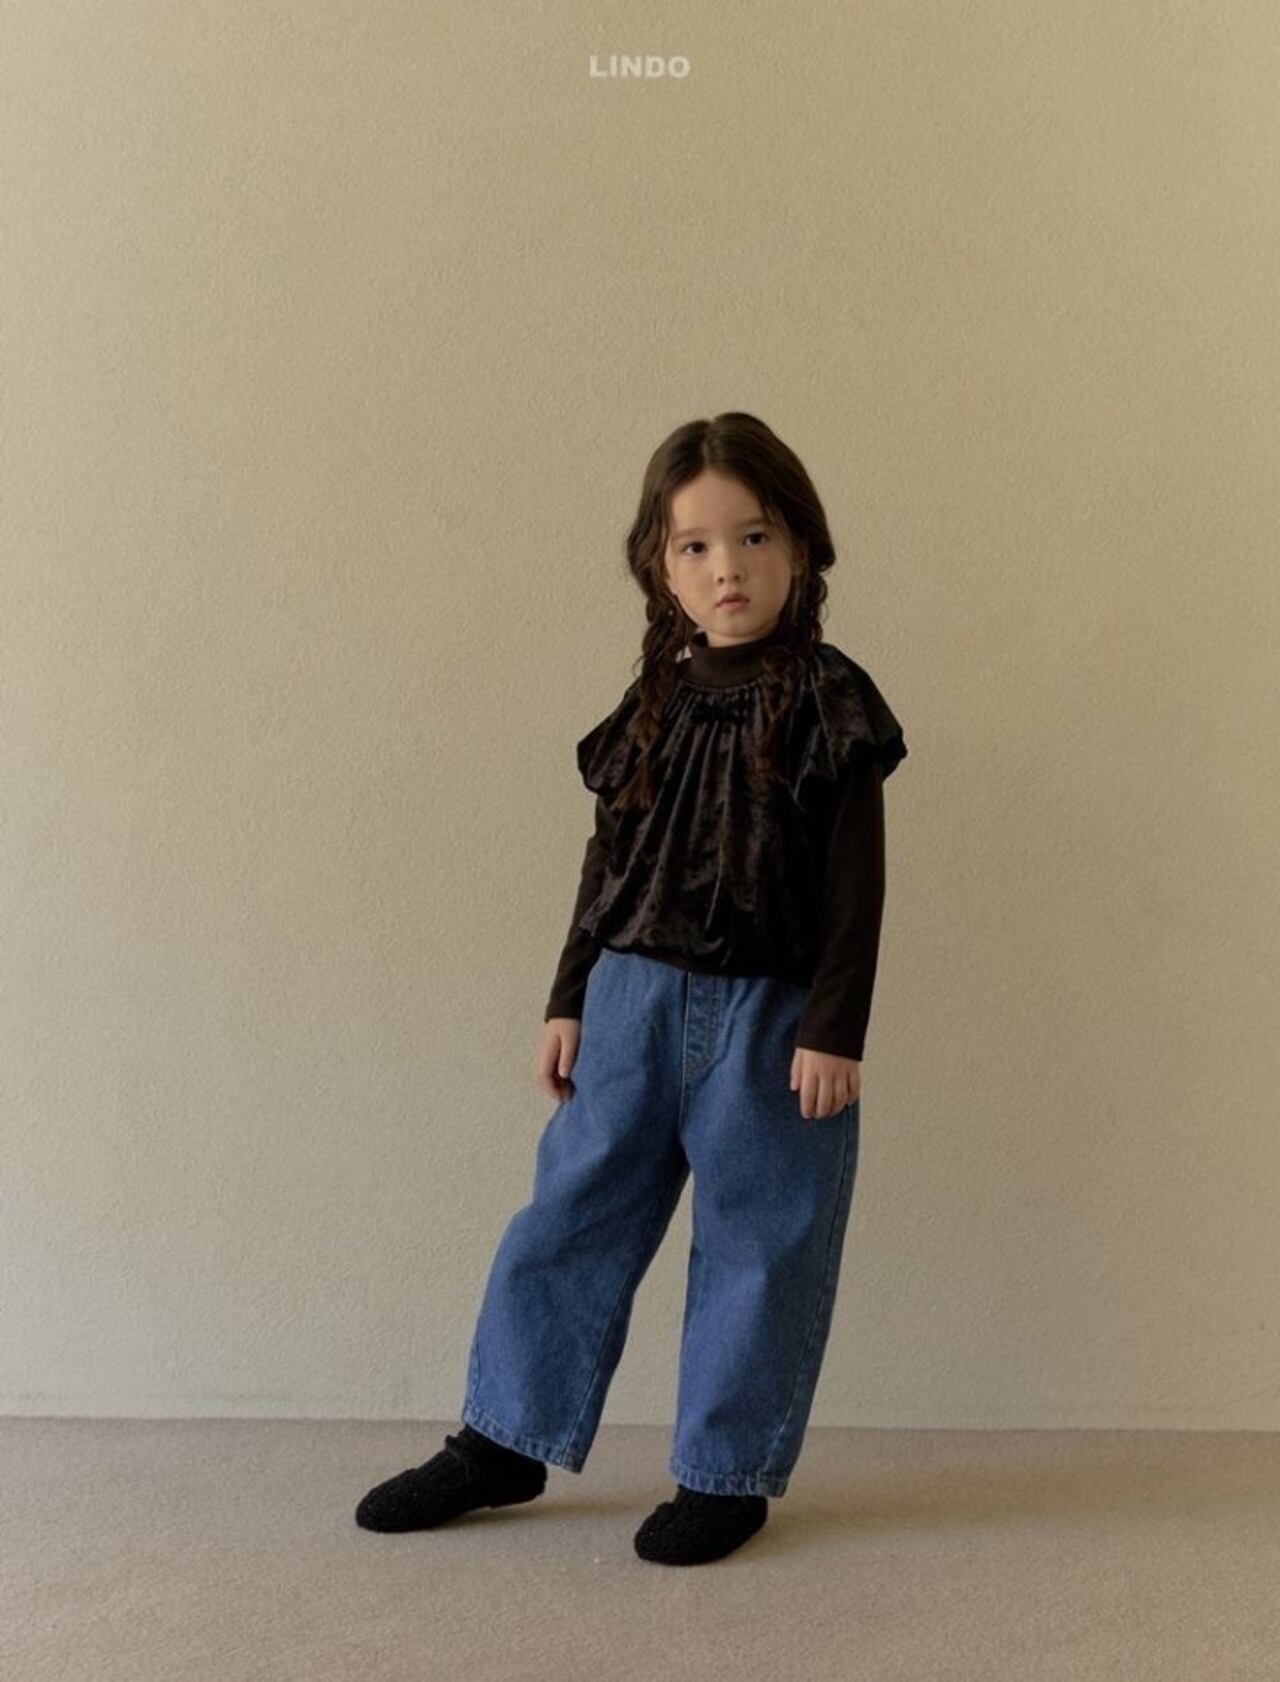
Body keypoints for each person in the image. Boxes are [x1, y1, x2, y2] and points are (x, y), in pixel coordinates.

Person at [356, 411, 908, 1565]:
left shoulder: (828, 699)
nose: (726, 567)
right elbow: (607, 861)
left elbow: (855, 882)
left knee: (759, 1236)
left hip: (769, 1019)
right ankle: (503, 1436)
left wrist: (833, 1025)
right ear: (659, 566)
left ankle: (723, 1472)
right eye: (693, 545)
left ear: (799, 546)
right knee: (570, 1210)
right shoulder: (654, 701)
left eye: (752, 537)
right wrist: (568, 996)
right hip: (628, 1000)